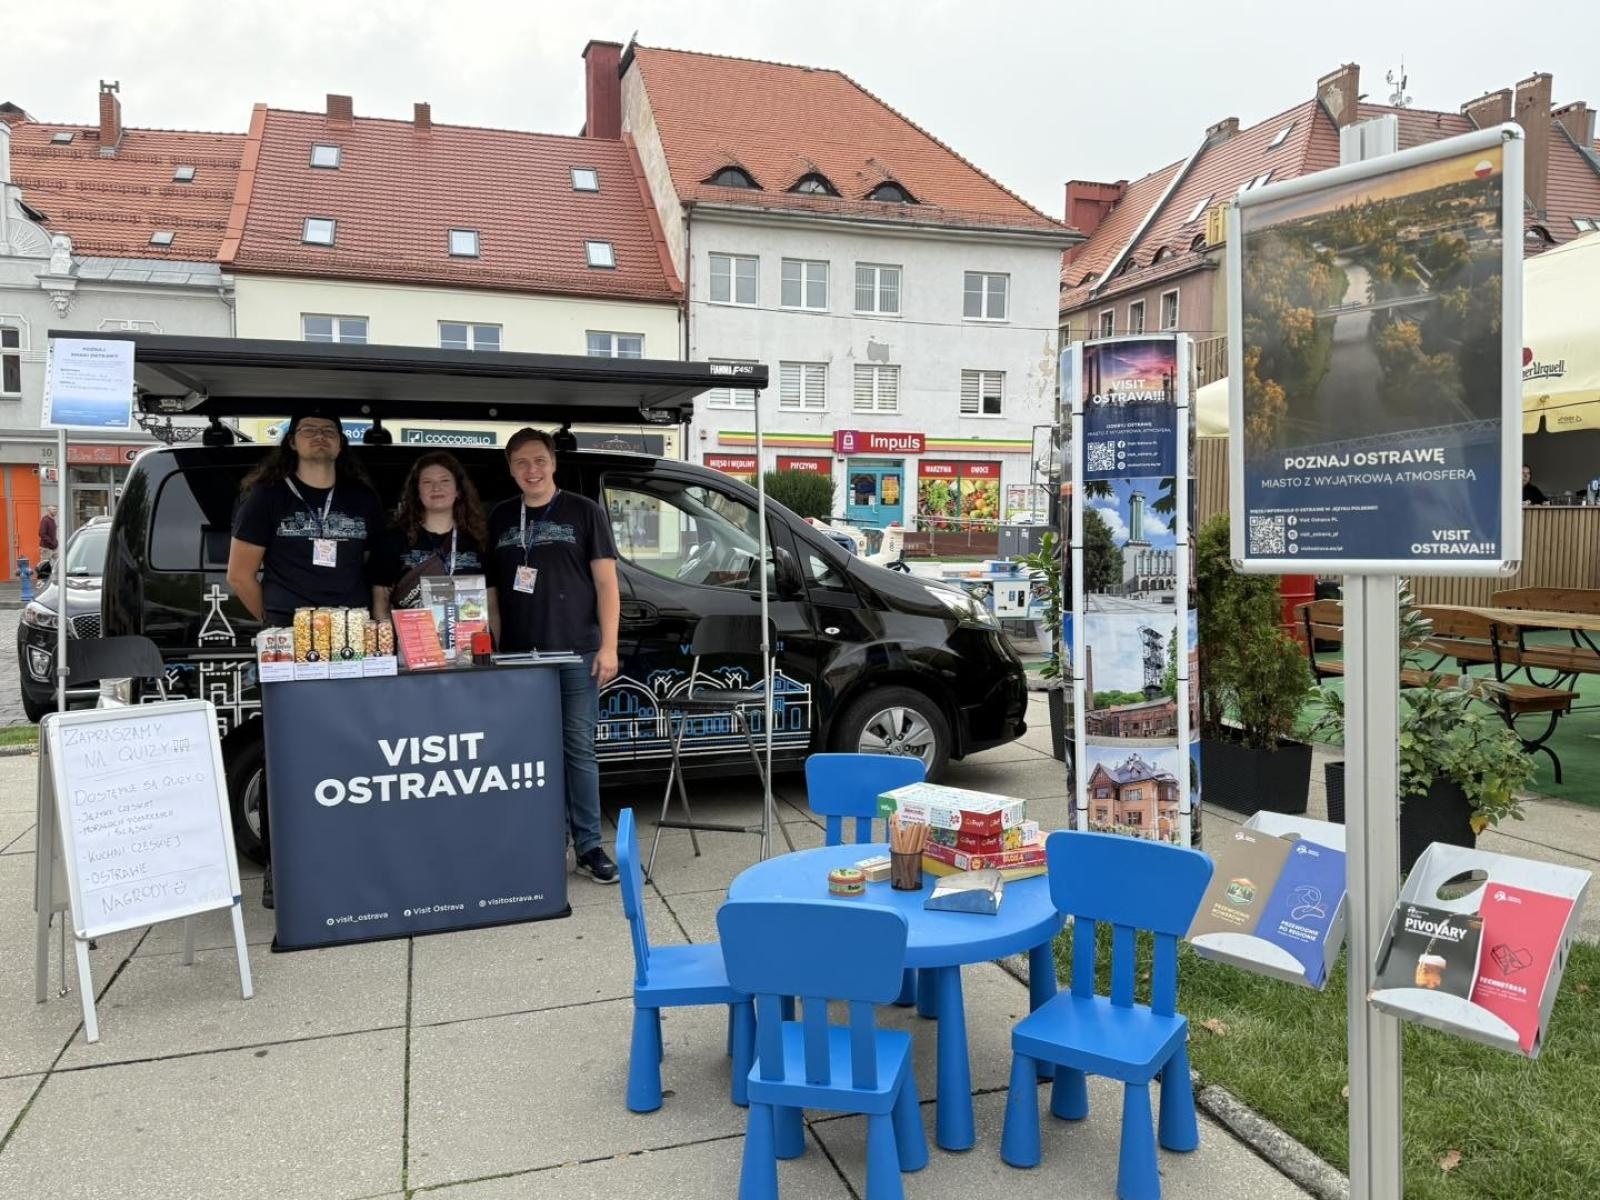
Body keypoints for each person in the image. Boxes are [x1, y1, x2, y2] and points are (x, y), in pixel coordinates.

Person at [226, 410, 385, 907]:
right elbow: (240, 575)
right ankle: (281, 864)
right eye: (309, 431)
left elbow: (374, 569)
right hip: (290, 643)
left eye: (329, 431)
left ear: (341, 444)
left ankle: (350, 855)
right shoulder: (266, 497)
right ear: (292, 442)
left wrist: (373, 624)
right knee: (285, 756)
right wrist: (279, 620)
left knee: (352, 751)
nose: (320, 438)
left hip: (351, 640)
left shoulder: (361, 499)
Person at [486, 427, 621, 884]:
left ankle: (589, 846)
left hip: (576, 653)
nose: (532, 470)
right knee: (530, 754)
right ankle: (544, 842)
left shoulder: (584, 512)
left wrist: (609, 646)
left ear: (554, 463)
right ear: (510, 469)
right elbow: (493, 594)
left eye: (539, 460)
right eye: (521, 462)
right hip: (519, 659)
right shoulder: (501, 516)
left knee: (579, 751)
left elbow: (606, 585)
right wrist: (494, 650)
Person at [370, 451, 488, 619]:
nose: (436, 488)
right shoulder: (393, 540)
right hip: (411, 634)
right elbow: (381, 602)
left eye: (444, 481)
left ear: (458, 491)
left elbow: (491, 604)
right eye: (427, 482)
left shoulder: (478, 541)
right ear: (417, 492)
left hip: (469, 635)